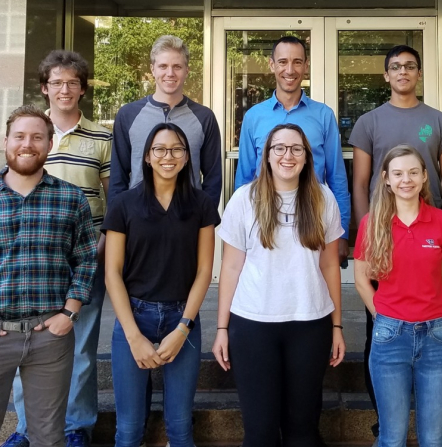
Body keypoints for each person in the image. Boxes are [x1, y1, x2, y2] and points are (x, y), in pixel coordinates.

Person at [0, 104, 97, 447]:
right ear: (6, 141)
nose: (28, 144)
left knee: (48, 438)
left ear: (50, 144)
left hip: (49, 340)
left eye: (37, 137)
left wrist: (69, 314)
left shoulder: (71, 200)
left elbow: (86, 260)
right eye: (20, 136)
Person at [349, 44, 442, 444]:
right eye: (395, 67)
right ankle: (386, 421)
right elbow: (361, 184)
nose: (402, 72)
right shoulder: (369, 121)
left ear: (418, 73)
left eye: (409, 66)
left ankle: (436, 423)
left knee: (433, 333)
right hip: (383, 240)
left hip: (429, 235)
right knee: (377, 337)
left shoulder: (438, 120)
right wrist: (373, 233)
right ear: (386, 75)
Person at [0, 50, 112, 447]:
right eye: (57, 82)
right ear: (45, 88)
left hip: (86, 258)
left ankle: (76, 425)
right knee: (25, 343)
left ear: (82, 89)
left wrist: (101, 245)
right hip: (33, 259)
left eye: (73, 83)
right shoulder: (30, 134)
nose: (65, 89)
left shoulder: (102, 137)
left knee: (81, 347)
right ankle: (27, 428)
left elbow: (111, 197)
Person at [213, 123, 346, 447]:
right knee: (260, 432)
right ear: (267, 156)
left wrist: (338, 326)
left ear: (306, 157)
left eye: (296, 149)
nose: (288, 155)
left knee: (303, 432)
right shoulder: (244, 199)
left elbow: (330, 265)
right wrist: (221, 329)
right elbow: (230, 266)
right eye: (280, 148)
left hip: (310, 323)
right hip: (254, 324)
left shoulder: (323, 198)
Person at [103, 122, 219, 447]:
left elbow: (205, 270)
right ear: (147, 156)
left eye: (177, 149)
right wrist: (132, 336)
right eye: (160, 149)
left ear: (186, 157)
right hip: (133, 317)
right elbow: (112, 272)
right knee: (127, 430)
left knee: (181, 428)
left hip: (182, 316)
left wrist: (183, 327)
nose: (168, 156)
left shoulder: (201, 205)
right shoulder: (124, 204)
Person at [235, 36, 350, 264]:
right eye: (283, 62)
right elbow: (245, 178)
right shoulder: (254, 117)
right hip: (263, 220)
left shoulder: (323, 115)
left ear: (306, 66)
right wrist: (240, 228)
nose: (290, 69)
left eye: (297, 62)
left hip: (313, 219)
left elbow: (337, 177)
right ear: (272, 65)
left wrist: (343, 231)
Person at [109, 34, 222, 208]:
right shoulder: (128, 115)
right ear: (152, 69)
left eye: (177, 66)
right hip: (138, 218)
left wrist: (203, 219)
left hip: (188, 219)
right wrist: (117, 224)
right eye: (163, 66)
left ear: (187, 71)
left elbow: (213, 179)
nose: (170, 73)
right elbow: (118, 177)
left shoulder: (204, 117)